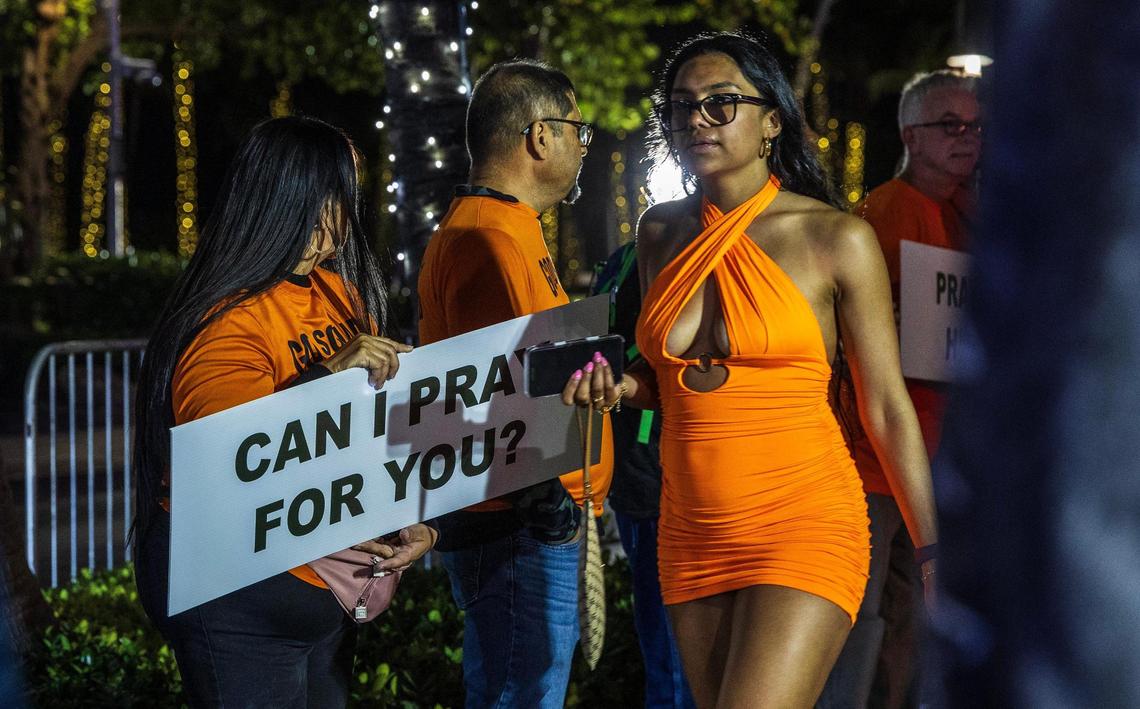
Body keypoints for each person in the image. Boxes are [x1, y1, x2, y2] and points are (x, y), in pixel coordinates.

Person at [562, 32, 939, 707]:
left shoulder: (835, 238)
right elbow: (663, 378)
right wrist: (621, 385)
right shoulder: (658, 232)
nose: (697, 119)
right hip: (692, 528)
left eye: (720, 102)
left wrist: (934, 549)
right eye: (682, 107)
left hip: (804, 519)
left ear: (772, 121)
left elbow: (886, 406)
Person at [132, 116, 435, 707]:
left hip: (322, 595)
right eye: (335, 194)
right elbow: (228, 457)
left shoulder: (338, 294)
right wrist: (325, 374)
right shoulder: (229, 322)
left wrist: (410, 518)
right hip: (238, 599)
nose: (346, 215)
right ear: (290, 198)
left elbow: (371, 433)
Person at [417, 58, 613, 709]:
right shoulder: (488, 238)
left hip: (523, 519)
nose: (585, 146)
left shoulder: (506, 228)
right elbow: (501, 398)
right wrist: (552, 512)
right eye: (577, 130)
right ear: (539, 136)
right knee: (520, 690)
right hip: (517, 526)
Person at [819, 69, 980, 709]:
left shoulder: (976, 218)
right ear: (911, 132)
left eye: (976, 125)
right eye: (951, 124)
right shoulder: (880, 217)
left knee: (915, 625)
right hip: (873, 462)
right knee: (857, 620)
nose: (968, 137)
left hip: (943, 460)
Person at [591, 242, 695, 708]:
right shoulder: (629, 257)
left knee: (676, 646)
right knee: (667, 647)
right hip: (644, 476)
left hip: (672, 473)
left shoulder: (666, 251)